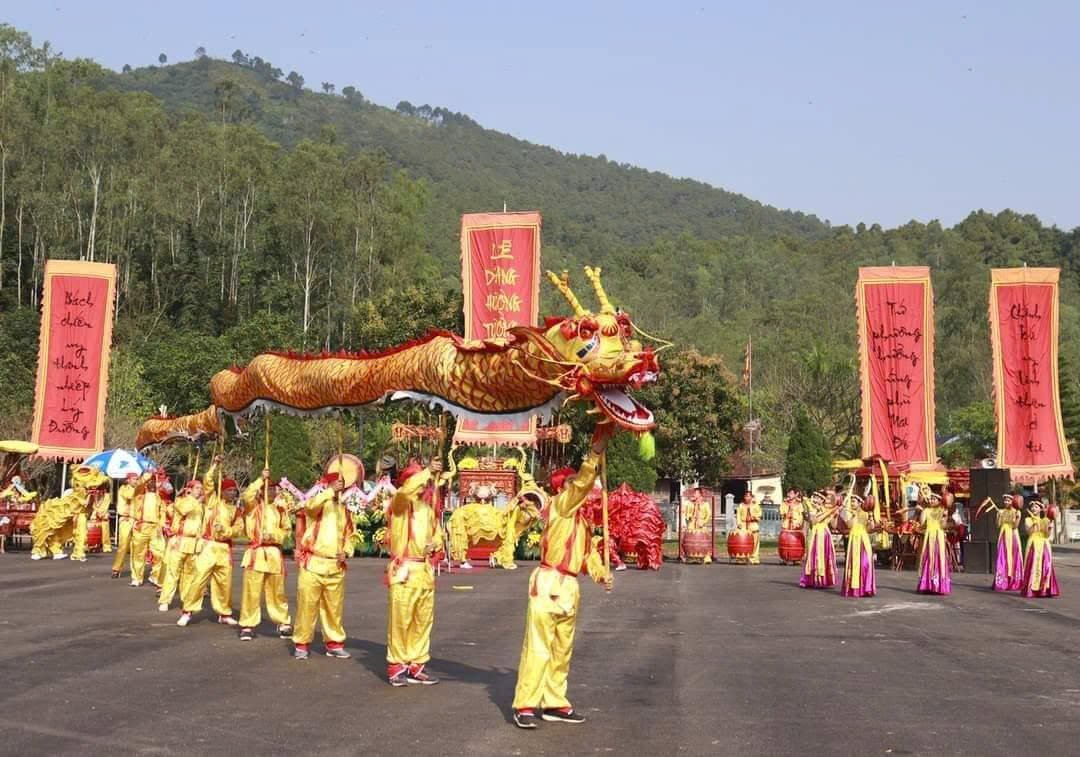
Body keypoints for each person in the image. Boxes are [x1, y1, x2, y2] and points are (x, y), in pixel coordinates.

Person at [512, 422, 614, 730]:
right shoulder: (561, 507)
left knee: (561, 650)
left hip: (569, 587)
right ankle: (525, 704)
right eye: (574, 484)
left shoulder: (580, 520)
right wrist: (595, 455)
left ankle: (555, 702)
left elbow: (588, 555)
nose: (582, 489)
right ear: (563, 488)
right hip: (549, 584)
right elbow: (583, 483)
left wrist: (600, 574)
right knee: (538, 646)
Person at [385, 458, 446, 685]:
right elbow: (405, 492)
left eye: (423, 480)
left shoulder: (428, 509)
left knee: (422, 620)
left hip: (424, 570)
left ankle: (416, 663)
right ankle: (397, 665)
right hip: (405, 570)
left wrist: (436, 545)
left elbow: (437, 534)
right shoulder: (399, 504)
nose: (422, 485)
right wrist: (428, 471)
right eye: (416, 479)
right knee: (400, 620)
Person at [292, 472, 353, 660]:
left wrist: (348, 551)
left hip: (335, 565)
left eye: (340, 483)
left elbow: (351, 535)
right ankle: (302, 644)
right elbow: (310, 507)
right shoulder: (317, 503)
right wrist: (329, 491)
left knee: (334, 608)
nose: (338, 486)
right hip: (313, 564)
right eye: (335, 482)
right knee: (307, 606)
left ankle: (334, 643)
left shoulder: (344, 509)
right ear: (327, 484)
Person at [177, 457, 243, 627]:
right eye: (229, 490)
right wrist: (214, 465)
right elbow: (207, 481)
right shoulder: (213, 502)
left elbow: (238, 529)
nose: (232, 493)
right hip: (209, 546)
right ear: (223, 491)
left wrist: (227, 531)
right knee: (198, 579)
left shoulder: (236, 510)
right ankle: (188, 611)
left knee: (224, 583)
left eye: (234, 491)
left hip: (224, 549)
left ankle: (224, 612)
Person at [237, 470, 295, 641]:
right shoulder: (253, 506)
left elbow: (286, 531)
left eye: (273, 489)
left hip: (274, 553)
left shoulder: (280, 509)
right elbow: (247, 495)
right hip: (256, 552)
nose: (270, 491)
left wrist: (275, 536)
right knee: (251, 591)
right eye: (267, 488)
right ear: (261, 490)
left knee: (277, 591)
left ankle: (282, 621)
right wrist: (260, 479)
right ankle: (248, 624)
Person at [156, 479, 205, 612]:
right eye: (197, 488)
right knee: (173, 572)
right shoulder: (180, 501)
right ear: (189, 489)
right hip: (179, 540)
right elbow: (184, 510)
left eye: (201, 488)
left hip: (193, 543)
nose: (200, 491)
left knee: (190, 573)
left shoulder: (200, 505)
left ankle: (186, 599)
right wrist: (194, 500)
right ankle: (165, 600)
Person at [128, 473, 165, 587]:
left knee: (160, 553)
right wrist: (147, 475)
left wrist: (161, 525)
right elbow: (138, 485)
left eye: (154, 482)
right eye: (150, 482)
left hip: (155, 528)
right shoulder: (138, 494)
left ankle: (155, 576)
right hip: (141, 526)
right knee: (138, 554)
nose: (152, 484)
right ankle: (137, 578)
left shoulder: (158, 497)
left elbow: (162, 512)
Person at [841, 495, 879, 597]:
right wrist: (854, 515)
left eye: (853, 502)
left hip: (863, 539)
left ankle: (865, 588)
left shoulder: (866, 513)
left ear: (859, 503)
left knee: (865, 563)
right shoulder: (850, 513)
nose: (852, 504)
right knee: (853, 564)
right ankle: (854, 589)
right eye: (851, 502)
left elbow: (870, 528)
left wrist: (871, 518)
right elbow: (849, 525)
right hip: (853, 540)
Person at [1021, 500, 1059, 598]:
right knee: (1032, 565)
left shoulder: (1045, 520)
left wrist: (1049, 528)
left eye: (1036, 507)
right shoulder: (1028, 520)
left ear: (1040, 509)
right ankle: (1032, 589)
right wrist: (1034, 524)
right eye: (1032, 507)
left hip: (1043, 544)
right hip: (1033, 544)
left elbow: (1047, 535)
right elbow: (1029, 532)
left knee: (1045, 565)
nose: (1034, 508)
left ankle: (1044, 589)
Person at [915, 489, 951, 595]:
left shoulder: (942, 510)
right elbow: (922, 524)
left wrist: (944, 517)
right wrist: (921, 510)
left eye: (934, 498)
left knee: (939, 559)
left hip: (938, 537)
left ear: (939, 500)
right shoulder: (926, 511)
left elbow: (943, 526)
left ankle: (938, 585)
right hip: (929, 536)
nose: (931, 500)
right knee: (928, 558)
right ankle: (927, 585)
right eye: (930, 498)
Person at [799, 491, 837, 589]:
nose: (815, 499)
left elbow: (834, 525)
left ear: (822, 500)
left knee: (824, 557)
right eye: (814, 497)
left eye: (818, 498)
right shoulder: (812, 509)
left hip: (824, 535)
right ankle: (811, 579)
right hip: (814, 534)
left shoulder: (826, 509)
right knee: (812, 556)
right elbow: (813, 521)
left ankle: (823, 580)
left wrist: (834, 515)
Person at [993, 495, 1024, 592]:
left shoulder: (1016, 512)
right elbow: (998, 525)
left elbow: (1015, 526)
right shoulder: (1001, 511)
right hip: (1003, 536)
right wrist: (998, 516)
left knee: (1014, 556)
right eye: (1005, 500)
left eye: (1009, 500)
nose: (1006, 502)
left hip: (1013, 536)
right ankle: (1002, 581)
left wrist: (1018, 518)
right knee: (1002, 557)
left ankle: (1014, 581)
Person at [111, 473, 138, 578]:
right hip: (126, 519)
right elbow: (129, 496)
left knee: (137, 546)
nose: (136, 481)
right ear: (128, 480)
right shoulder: (124, 488)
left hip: (136, 520)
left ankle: (136, 572)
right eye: (134, 479)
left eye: (137, 479)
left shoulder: (139, 490)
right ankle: (116, 568)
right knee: (123, 545)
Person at [682, 488, 713, 564]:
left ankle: (706, 556)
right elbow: (685, 512)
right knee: (688, 538)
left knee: (705, 540)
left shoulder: (705, 504)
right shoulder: (690, 504)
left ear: (700, 495)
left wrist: (703, 522)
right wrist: (689, 516)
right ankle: (688, 555)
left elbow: (709, 515)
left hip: (701, 523)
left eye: (696, 493)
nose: (694, 495)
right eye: (694, 493)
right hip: (692, 523)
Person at [734, 491, 762, 565]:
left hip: (753, 525)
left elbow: (759, 515)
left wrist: (753, 517)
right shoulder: (741, 505)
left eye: (749, 496)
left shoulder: (756, 506)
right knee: (742, 542)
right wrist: (739, 523)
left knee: (754, 543)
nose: (747, 498)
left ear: (751, 497)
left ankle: (753, 558)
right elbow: (738, 515)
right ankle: (742, 557)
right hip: (743, 525)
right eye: (746, 496)